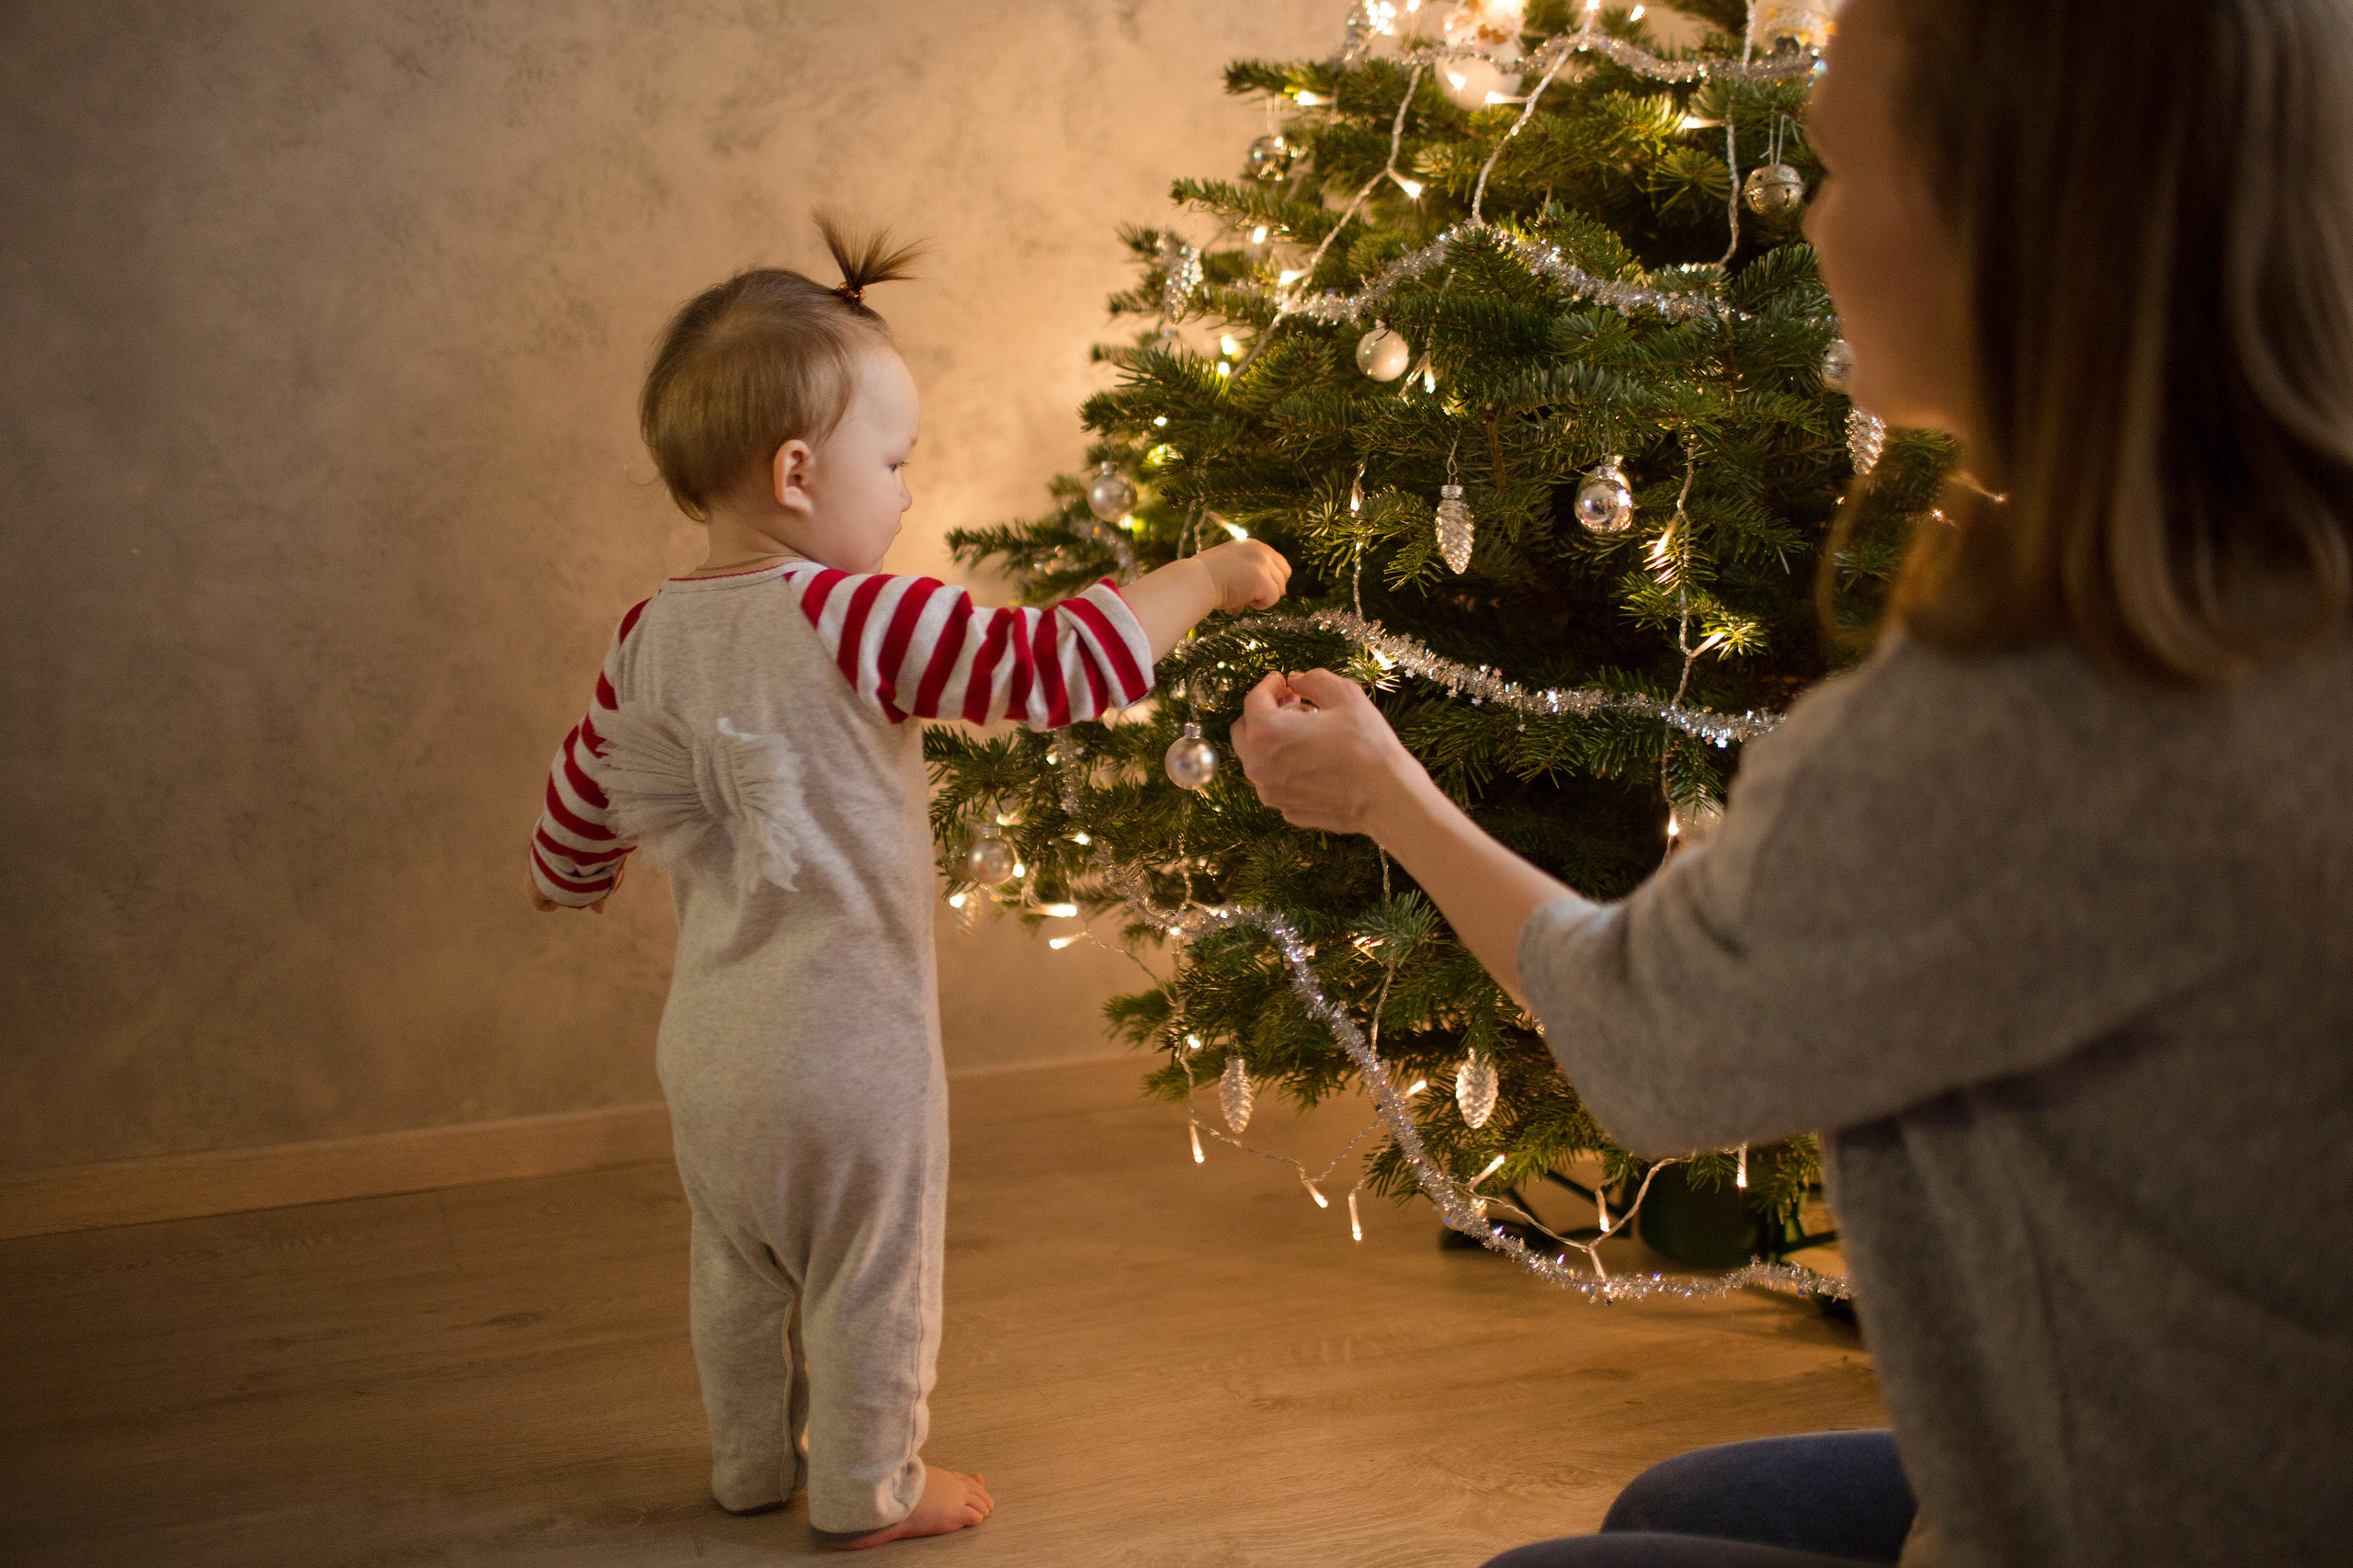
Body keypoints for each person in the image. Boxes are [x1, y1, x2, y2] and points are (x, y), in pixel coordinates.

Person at [1230, 0, 2353, 1563]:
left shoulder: (2016, 722)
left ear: (2005, 215)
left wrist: (1384, 796)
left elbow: (1644, 1044)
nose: (1810, 220)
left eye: (1833, 163)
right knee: (1686, 1505)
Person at [527, 218, 1289, 1549]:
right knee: (871, 1268)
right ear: (798, 470)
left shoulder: (647, 634)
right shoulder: (855, 612)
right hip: (849, 1050)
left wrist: (570, 875)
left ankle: (750, 1463)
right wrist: (1207, 576)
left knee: (737, 1263)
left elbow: (581, 793)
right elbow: (1057, 665)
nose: (907, 495)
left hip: (706, 1053)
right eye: (895, 463)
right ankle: (871, 1485)